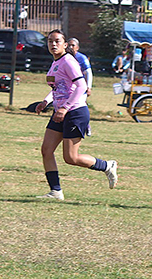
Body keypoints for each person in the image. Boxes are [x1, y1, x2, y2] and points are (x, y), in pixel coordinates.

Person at [34, 29, 118, 201]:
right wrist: (45, 102)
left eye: (57, 41)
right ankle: (55, 192)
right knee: (46, 150)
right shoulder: (55, 62)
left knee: (71, 158)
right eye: (50, 41)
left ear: (65, 45)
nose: (53, 44)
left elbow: (81, 86)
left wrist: (64, 108)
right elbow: (58, 89)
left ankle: (107, 166)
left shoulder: (68, 61)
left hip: (74, 112)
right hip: (60, 111)